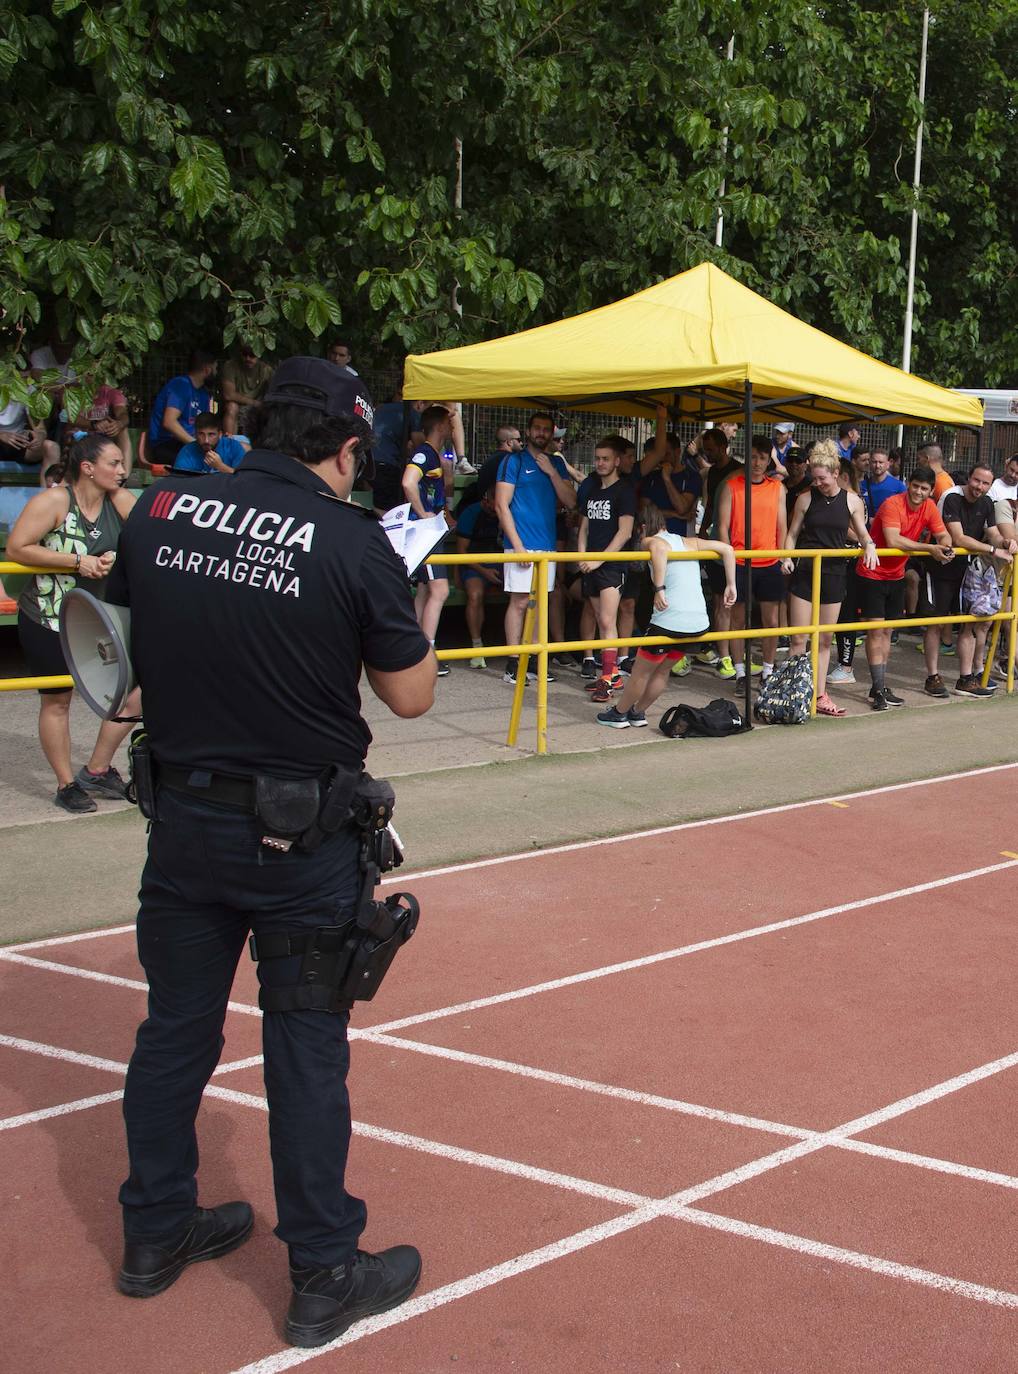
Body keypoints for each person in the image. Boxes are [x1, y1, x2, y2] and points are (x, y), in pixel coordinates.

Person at [106, 357, 435, 1346]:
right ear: (345, 449)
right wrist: (409, 592)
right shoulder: (353, 541)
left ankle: (155, 1232)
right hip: (300, 842)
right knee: (302, 1047)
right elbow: (410, 695)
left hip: (183, 826)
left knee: (174, 1032)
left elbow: (129, 638)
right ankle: (323, 1268)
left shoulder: (162, 511)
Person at [7, 433, 138, 811]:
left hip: (102, 619)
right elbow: (17, 548)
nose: (122, 470)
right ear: (87, 468)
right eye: (113, 463)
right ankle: (66, 785)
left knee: (135, 688)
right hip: (49, 617)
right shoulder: (54, 500)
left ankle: (96, 769)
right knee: (57, 701)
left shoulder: (120, 500)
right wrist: (77, 562)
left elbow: (148, 538)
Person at [597, 502, 736, 728]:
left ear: (642, 527)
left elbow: (660, 548)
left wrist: (659, 589)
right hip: (697, 622)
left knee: (641, 672)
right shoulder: (687, 541)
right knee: (663, 671)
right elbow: (728, 549)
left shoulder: (649, 541)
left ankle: (619, 713)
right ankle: (638, 712)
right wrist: (731, 585)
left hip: (670, 619)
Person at [782, 440, 877, 716]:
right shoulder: (805, 499)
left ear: (836, 473)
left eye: (822, 477)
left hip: (834, 574)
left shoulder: (852, 501)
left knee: (824, 641)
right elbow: (792, 534)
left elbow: (862, 533)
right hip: (805, 573)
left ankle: (820, 694)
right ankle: (795, 692)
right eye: (815, 476)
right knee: (798, 639)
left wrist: (869, 545)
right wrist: (787, 556)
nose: (818, 482)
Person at [855, 465, 954, 710]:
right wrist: (931, 549)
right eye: (915, 486)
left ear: (931, 491)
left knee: (888, 632)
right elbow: (893, 540)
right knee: (876, 631)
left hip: (896, 575)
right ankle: (878, 688)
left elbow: (943, 534)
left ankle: (879, 685)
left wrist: (945, 545)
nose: (918, 492)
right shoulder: (892, 503)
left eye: (924, 488)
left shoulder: (930, 507)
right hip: (872, 572)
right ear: (908, 484)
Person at [494, 411, 575, 686]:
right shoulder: (512, 461)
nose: (541, 433)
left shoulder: (556, 464)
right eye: (537, 428)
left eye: (546, 429)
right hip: (520, 544)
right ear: (528, 431)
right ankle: (513, 663)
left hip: (547, 546)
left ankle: (537, 661)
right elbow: (501, 504)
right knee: (518, 602)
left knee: (541, 604)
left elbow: (571, 501)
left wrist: (552, 472)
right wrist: (517, 546)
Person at [922, 464, 1013, 698]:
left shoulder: (986, 503)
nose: (979, 487)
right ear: (968, 479)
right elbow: (958, 537)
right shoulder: (952, 497)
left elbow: (992, 531)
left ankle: (965, 679)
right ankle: (932, 677)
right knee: (936, 623)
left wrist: (1005, 542)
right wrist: (994, 549)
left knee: (969, 624)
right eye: (976, 481)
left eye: (985, 483)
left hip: (967, 571)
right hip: (941, 568)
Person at [717, 434, 788, 686]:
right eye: (753, 457)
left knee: (771, 621)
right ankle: (740, 672)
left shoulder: (777, 488)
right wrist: (729, 558)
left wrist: (783, 557)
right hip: (739, 562)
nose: (757, 462)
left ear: (769, 460)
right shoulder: (732, 486)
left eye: (762, 458)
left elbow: (782, 526)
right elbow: (723, 528)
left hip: (769, 562)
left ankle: (768, 670)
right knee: (738, 620)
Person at [577, 436, 637, 702]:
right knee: (600, 618)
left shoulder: (624, 491)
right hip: (590, 565)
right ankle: (610, 673)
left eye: (605, 459)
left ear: (616, 461)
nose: (600, 463)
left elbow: (624, 533)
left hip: (611, 565)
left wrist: (599, 560)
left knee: (606, 621)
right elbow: (584, 527)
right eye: (597, 458)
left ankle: (607, 679)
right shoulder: (591, 490)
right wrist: (581, 557)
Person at [402, 404, 453, 675]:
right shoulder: (424, 453)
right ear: (441, 425)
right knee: (440, 590)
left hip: (433, 529)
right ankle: (428, 654)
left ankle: (415, 649)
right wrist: (423, 515)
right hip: (426, 532)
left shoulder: (436, 455)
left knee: (424, 590)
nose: (454, 426)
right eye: (450, 421)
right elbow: (408, 482)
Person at [455, 491, 503, 668]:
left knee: (524, 593)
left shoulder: (507, 511)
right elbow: (461, 552)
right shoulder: (471, 513)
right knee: (475, 595)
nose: (498, 507)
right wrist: (484, 571)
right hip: (475, 563)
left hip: (502, 561)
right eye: (495, 503)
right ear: (486, 500)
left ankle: (522, 648)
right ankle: (477, 647)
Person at [147, 351, 218, 465]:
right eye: (215, 369)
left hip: (189, 445)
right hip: (167, 444)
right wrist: (195, 444)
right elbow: (169, 422)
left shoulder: (204, 394)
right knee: (202, 463)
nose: (216, 372)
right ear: (207, 369)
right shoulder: (181, 385)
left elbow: (206, 427)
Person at [77, 381, 133, 473]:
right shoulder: (73, 391)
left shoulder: (111, 392)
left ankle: (124, 477)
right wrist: (93, 424)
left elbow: (122, 413)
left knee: (123, 430)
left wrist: (119, 424)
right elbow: (70, 419)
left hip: (105, 435)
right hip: (80, 434)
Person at [220, 345, 273, 435]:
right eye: (244, 354)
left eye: (252, 355)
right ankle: (228, 443)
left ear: (258, 355)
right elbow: (228, 395)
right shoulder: (230, 366)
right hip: (237, 405)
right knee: (232, 407)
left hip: (257, 407)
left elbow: (271, 393)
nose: (248, 358)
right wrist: (254, 403)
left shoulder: (266, 370)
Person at [172, 412, 248, 474]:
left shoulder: (234, 447)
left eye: (211, 434)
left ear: (220, 434)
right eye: (201, 434)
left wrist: (220, 466)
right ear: (195, 434)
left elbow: (243, 478)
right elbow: (179, 480)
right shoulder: (187, 451)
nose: (206, 441)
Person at [0, 392, 59, 469]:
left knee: (51, 447)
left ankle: (52, 481)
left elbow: (40, 429)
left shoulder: (28, 390)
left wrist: (40, 437)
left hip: (18, 441)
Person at [859, 447, 906, 521]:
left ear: (888, 464)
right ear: (870, 463)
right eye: (874, 462)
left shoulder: (899, 487)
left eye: (881, 462)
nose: (877, 466)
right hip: (865, 531)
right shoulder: (860, 486)